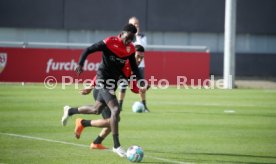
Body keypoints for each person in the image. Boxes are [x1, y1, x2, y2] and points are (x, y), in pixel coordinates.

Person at [61, 24, 145, 157]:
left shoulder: (130, 49)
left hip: (111, 84)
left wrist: (141, 83)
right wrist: (81, 63)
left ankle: (70, 111)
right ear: (122, 33)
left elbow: (135, 69)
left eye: (131, 39)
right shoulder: (110, 42)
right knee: (115, 111)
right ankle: (116, 146)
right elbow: (88, 49)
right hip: (102, 80)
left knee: (96, 109)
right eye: (128, 38)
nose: (129, 42)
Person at [118, 16, 150, 111]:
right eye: (133, 24)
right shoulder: (124, 35)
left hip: (140, 65)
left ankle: (144, 105)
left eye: (137, 24)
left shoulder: (142, 36)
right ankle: (119, 106)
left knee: (141, 85)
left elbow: (143, 48)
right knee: (123, 85)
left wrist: (137, 36)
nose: (136, 25)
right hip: (127, 65)